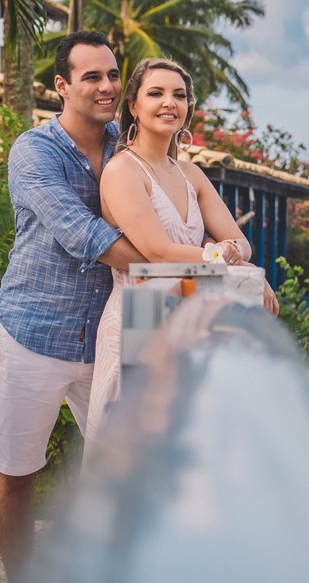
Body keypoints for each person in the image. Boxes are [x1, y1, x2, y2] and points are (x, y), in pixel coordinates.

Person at [0, 31, 148, 583]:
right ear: (62, 85)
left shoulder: (131, 148)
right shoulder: (34, 151)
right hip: (34, 330)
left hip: (112, 333)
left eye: (113, 74)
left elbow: (172, 207)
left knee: (130, 470)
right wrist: (179, 268)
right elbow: (81, 232)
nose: (108, 86)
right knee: (18, 471)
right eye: (92, 76)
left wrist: (225, 260)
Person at [85, 57, 276, 442]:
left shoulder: (191, 174)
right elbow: (158, 252)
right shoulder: (123, 171)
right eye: (156, 93)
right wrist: (228, 262)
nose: (169, 103)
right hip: (143, 315)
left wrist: (232, 254)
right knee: (140, 446)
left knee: (194, 445)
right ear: (134, 105)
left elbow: (242, 243)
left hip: (194, 318)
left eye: (180, 95)